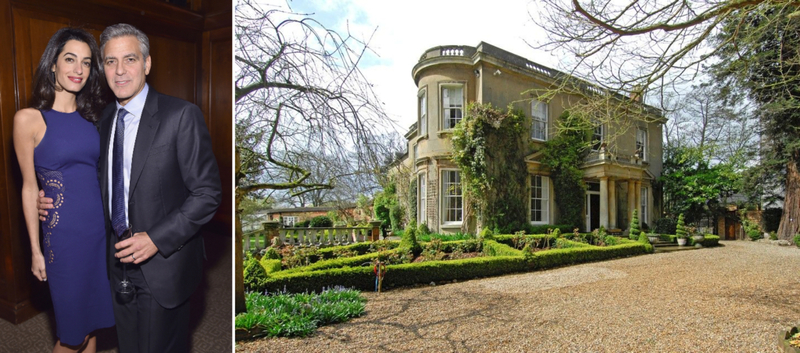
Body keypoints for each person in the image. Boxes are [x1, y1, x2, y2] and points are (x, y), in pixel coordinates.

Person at [39, 23, 221, 352]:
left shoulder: (181, 116)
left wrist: (155, 239)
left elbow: (208, 194)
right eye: (110, 61)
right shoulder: (103, 119)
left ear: (147, 63)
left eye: (130, 59)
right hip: (115, 263)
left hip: (164, 265)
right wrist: (49, 195)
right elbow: (88, 177)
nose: (120, 71)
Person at [13, 27, 115, 353]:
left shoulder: (96, 120)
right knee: (73, 335)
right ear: (53, 64)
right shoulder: (29, 120)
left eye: (86, 62)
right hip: (63, 240)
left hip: (98, 235)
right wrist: (35, 249)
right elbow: (29, 189)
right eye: (70, 59)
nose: (78, 70)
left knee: (91, 325)